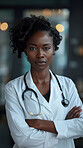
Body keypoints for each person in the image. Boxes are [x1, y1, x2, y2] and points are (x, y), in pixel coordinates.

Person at [5, 15, 83, 148]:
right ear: (25, 50)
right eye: (33, 48)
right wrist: (63, 127)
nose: (40, 54)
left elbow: (81, 126)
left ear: (54, 49)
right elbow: (23, 139)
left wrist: (40, 124)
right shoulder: (13, 88)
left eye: (46, 48)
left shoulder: (67, 85)